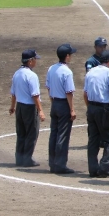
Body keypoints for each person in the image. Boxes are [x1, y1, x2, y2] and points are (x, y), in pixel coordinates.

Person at [83, 50, 109, 177]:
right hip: (105, 109)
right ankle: (104, 167)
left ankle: (93, 169)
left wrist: (90, 108)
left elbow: (85, 94)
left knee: (93, 140)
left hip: (91, 108)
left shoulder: (90, 72)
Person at [10, 49, 45, 167]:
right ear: (30, 61)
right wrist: (40, 110)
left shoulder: (16, 73)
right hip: (29, 108)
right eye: (35, 59)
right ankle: (27, 159)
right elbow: (35, 95)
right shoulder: (31, 76)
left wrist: (12, 107)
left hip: (19, 107)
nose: (36, 61)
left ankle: (19, 158)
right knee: (31, 133)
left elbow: (13, 93)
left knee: (21, 133)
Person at [46, 43, 77, 174]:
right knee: (63, 135)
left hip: (55, 103)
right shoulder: (67, 72)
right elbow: (69, 92)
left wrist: (53, 102)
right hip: (64, 105)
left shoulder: (51, 68)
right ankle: (60, 165)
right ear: (67, 56)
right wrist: (72, 109)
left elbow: (48, 87)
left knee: (54, 134)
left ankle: (52, 163)